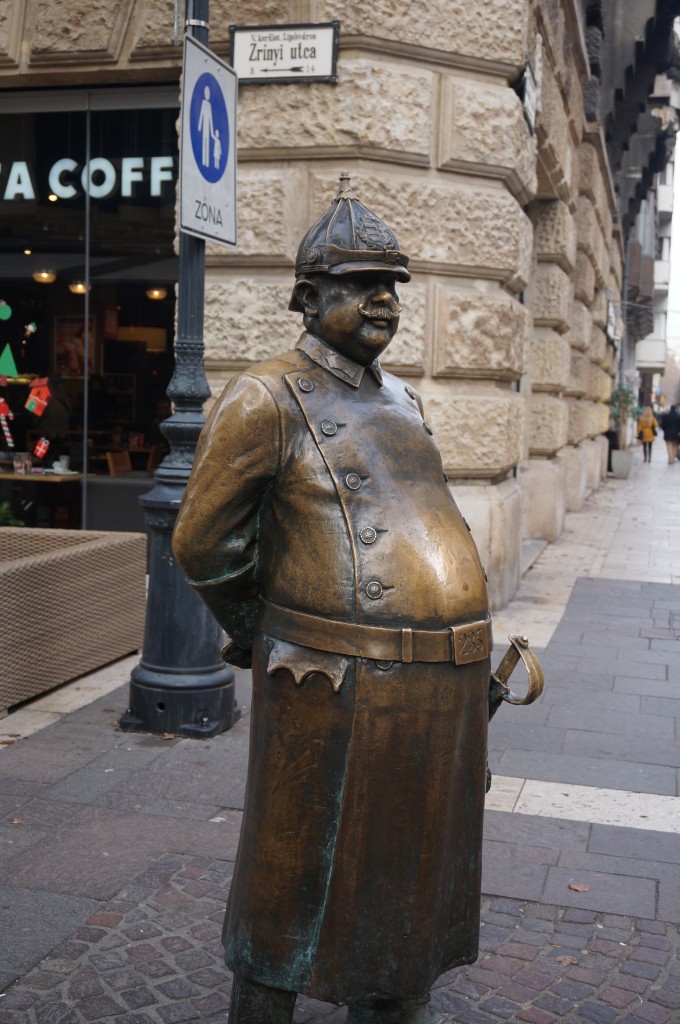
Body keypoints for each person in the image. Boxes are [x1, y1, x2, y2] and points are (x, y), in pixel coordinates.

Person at [173, 176, 522, 1024]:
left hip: (437, 692)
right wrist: (266, 636)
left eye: (391, 287)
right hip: (328, 688)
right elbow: (203, 541)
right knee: (287, 889)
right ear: (305, 297)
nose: (383, 302)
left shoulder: (404, 398)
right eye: (362, 286)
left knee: (408, 889)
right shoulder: (267, 397)